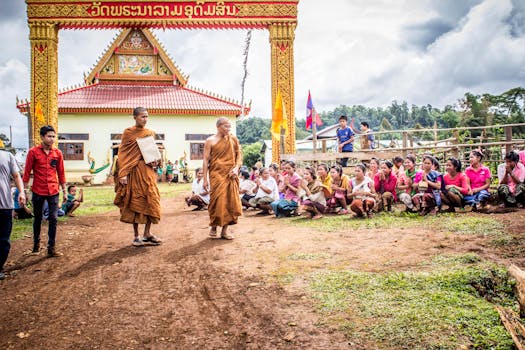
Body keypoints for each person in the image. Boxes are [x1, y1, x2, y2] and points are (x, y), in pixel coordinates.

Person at [114, 107, 162, 247]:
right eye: (142, 117)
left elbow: (152, 152)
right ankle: (136, 236)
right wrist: (123, 173)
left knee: (151, 200)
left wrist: (156, 161)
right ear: (134, 117)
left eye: (147, 116)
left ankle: (147, 233)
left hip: (147, 172)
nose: (145, 119)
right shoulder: (128, 133)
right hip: (133, 171)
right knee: (134, 201)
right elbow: (123, 154)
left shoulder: (150, 133)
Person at [23, 125, 66, 257]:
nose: (52, 139)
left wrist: (64, 190)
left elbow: (61, 172)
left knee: (53, 218)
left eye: (53, 136)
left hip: (53, 190)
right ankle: (36, 245)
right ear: (42, 137)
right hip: (38, 190)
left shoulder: (57, 153)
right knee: (38, 218)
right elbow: (27, 172)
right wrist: (24, 191)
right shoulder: (33, 152)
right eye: (49, 136)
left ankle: (51, 248)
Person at [202, 117, 243, 239]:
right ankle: (214, 226)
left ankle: (225, 230)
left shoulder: (233, 139)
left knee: (230, 202)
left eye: (229, 126)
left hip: (230, 174)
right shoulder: (210, 141)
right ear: (218, 126)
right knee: (217, 201)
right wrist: (205, 178)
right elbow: (205, 160)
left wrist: (236, 168)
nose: (228, 129)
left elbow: (239, 155)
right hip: (216, 175)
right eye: (226, 126)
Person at [1, 147, 26, 279]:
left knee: (4, 240)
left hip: (5, 204)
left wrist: (21, 192)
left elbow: (16, 175)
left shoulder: (7, 156)